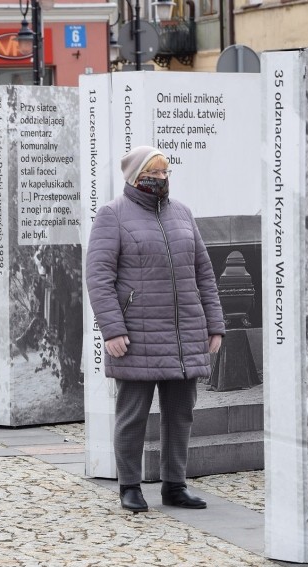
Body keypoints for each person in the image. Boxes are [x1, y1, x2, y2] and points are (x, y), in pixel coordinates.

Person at [85, 146, 225, 512]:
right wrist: (112, 329)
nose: (163, 178)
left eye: (166, 172)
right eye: (156, 172)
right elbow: (99, 278)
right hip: (136, 336)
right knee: (132, 415)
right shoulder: (112, 215)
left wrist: (215, 324)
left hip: (184, 336)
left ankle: (174, 486)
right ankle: (129, 486)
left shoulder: (183, 214)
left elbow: (204, 274)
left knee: (181, 414)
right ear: (136, 176)